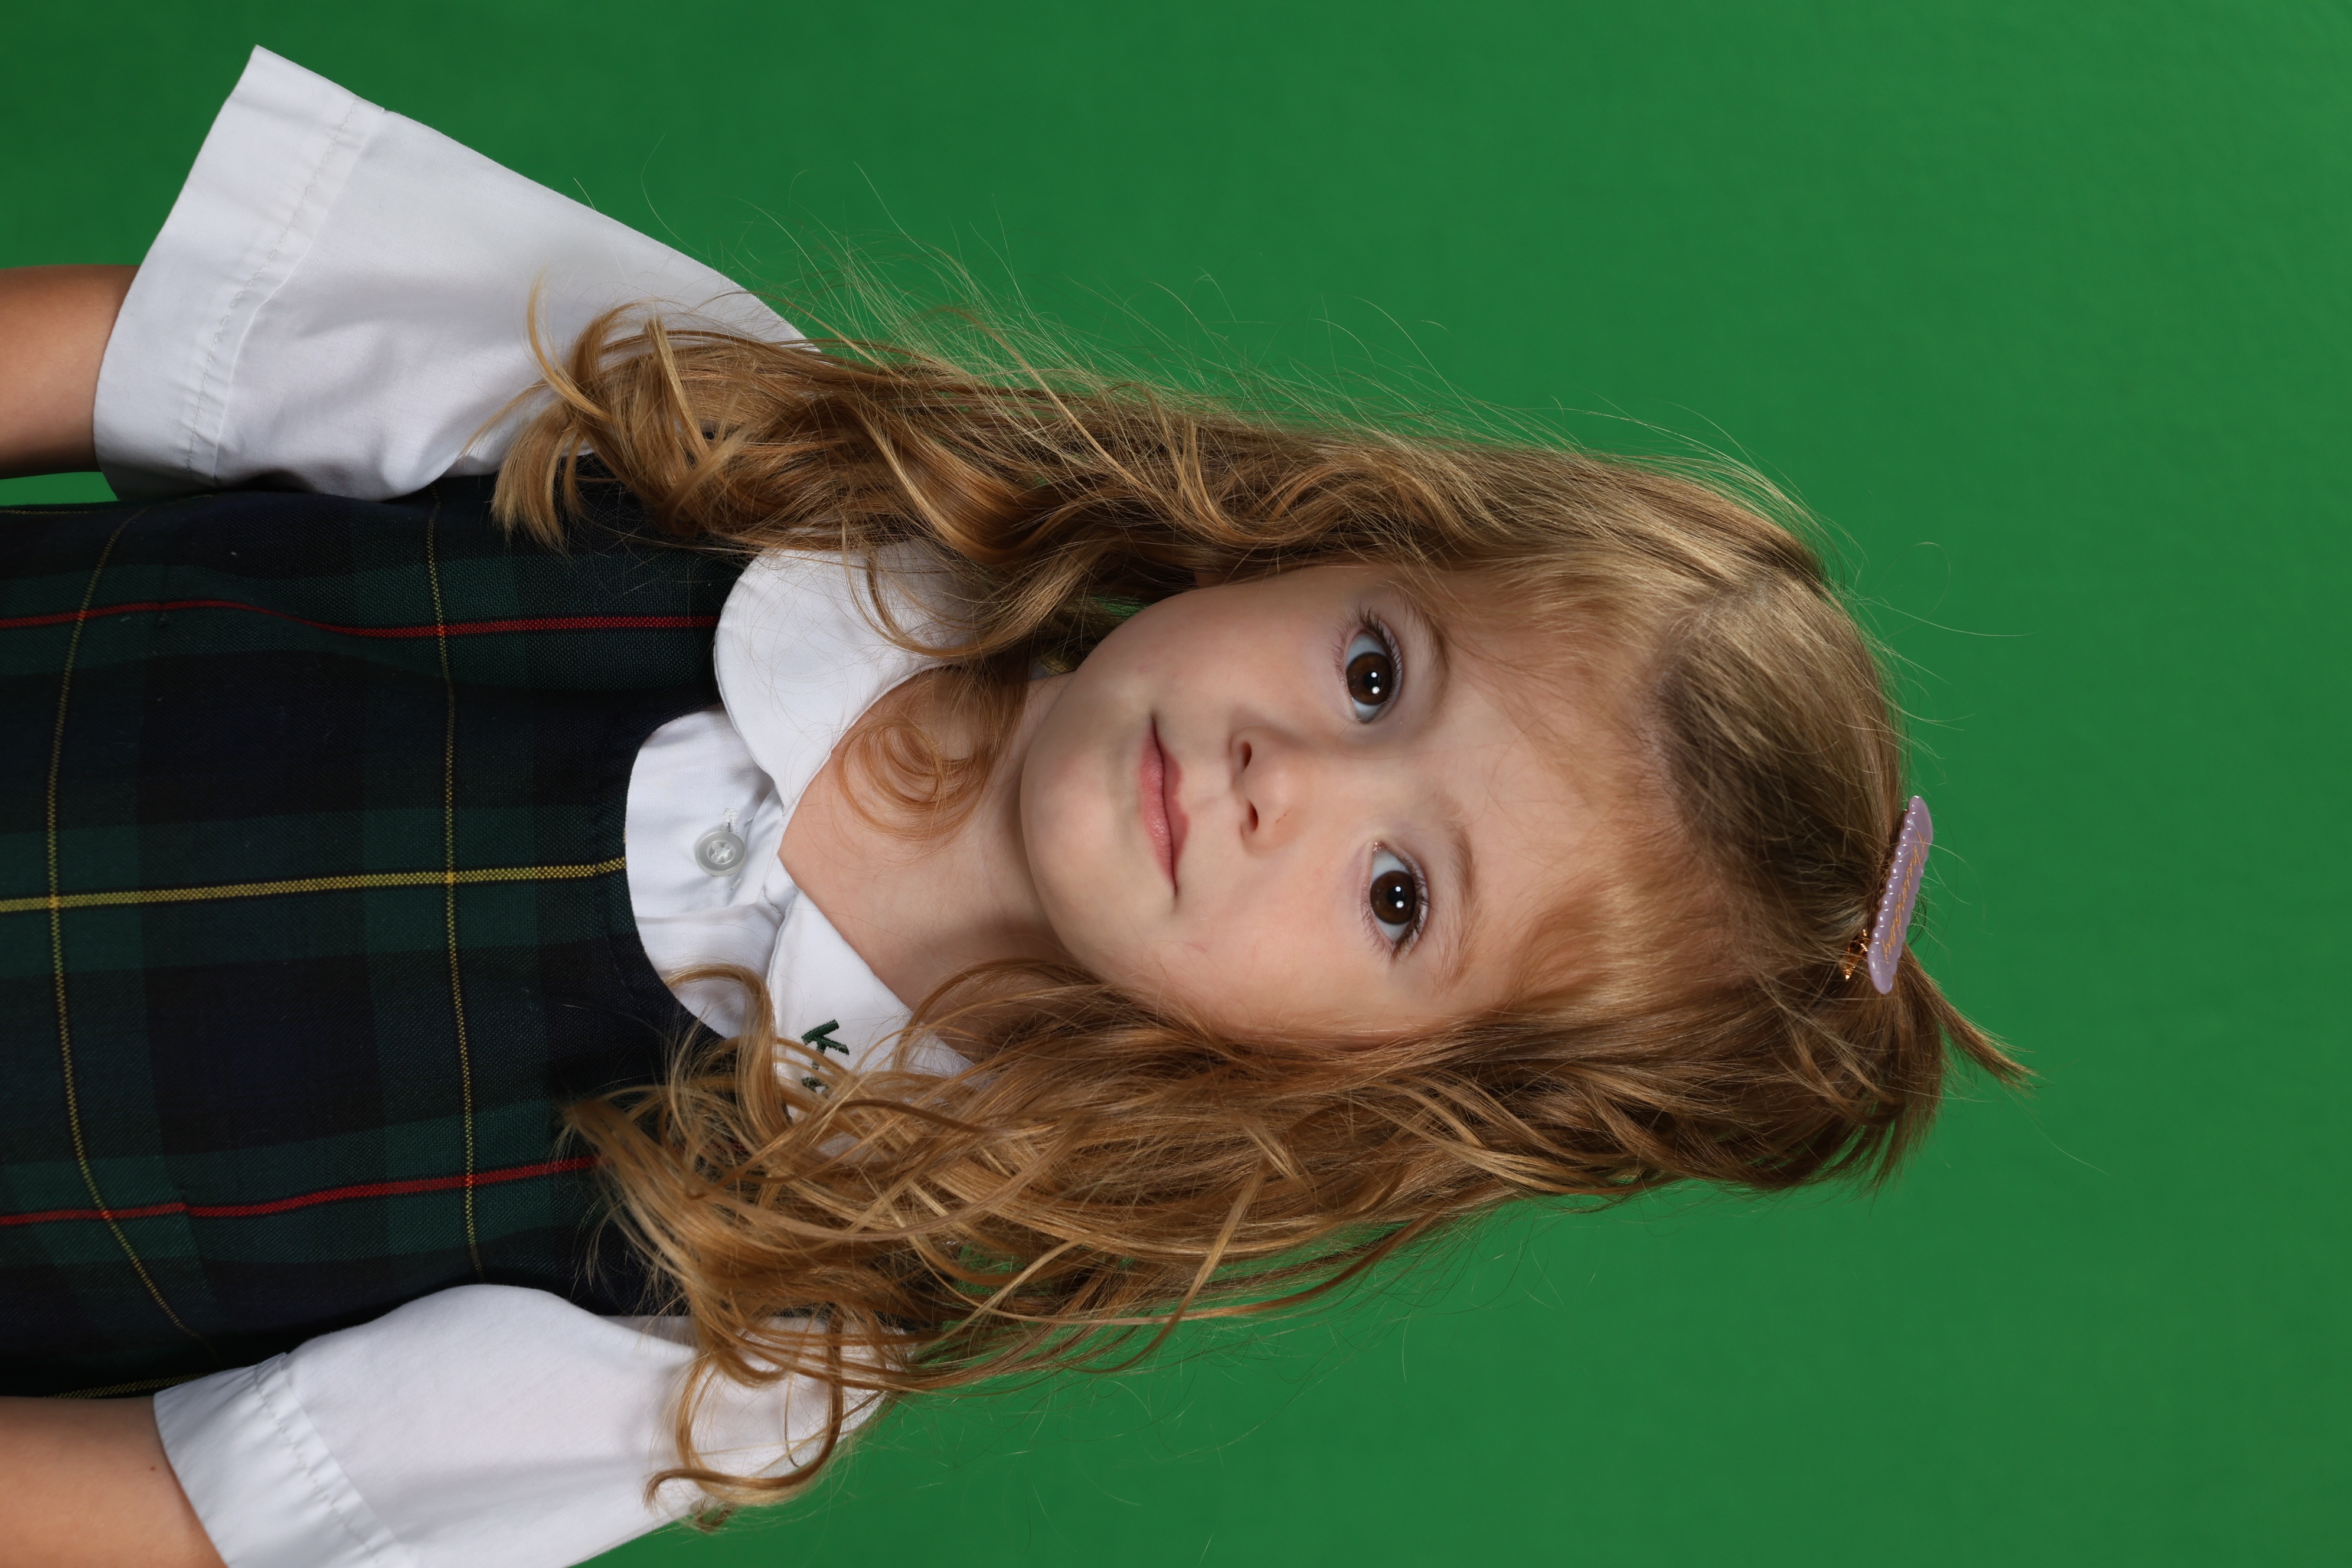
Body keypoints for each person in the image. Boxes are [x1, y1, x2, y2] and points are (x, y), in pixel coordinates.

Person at [0, 47, 2017, 1568]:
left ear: (1385, 1086)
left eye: (1400, 894)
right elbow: (129, 353)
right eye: (1375, 674)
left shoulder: (765, 1320)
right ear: (1335, 541)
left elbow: (158, 1508)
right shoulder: (739, 444)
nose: (1289, 779)